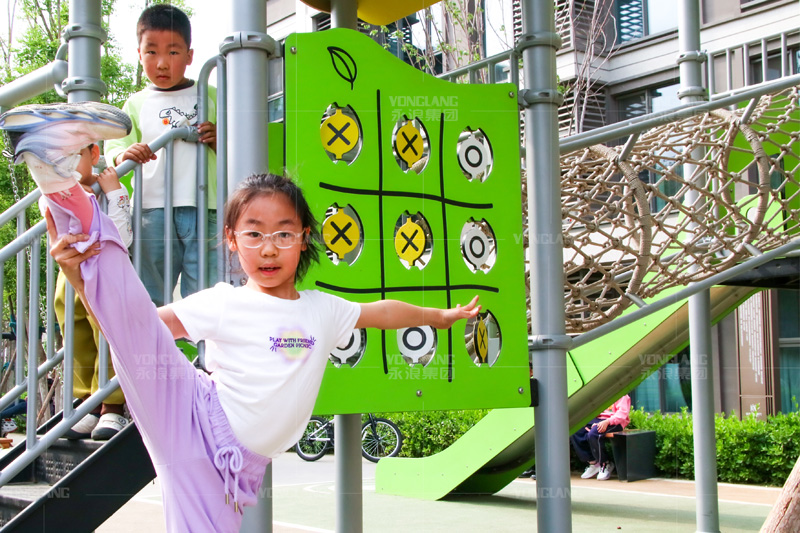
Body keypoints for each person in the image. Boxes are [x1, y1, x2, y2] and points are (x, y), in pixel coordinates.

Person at [2, 101, 481, 532]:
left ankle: (56, 177)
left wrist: (434, 314)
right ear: (232, 240)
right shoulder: (224, 301)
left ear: (305, 238)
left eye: (283, 234)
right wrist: (80, 280)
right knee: (138, 331)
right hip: (194, 414)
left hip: (232, 465)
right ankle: (60, 182)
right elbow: (134, 329)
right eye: (253, 234)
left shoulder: (322, 309)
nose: (268, 248)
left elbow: (378, 312)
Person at [104, 3, 218, 306]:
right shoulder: (136, 103)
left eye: (173, 52)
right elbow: (114, 147)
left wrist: (219, 139)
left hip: (206, 206)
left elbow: (239, 142)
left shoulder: (212, 94)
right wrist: (124, 155)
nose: (162, 63)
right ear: (139, 54)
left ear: (190, 56)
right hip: (151, 210)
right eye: (152, 52)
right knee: (148, 292)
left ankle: (203, 353)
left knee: (205, 292)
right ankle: (153, 352)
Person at [51, 146, 131, 440]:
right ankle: (86, 401)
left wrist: (113, 192)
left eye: (74, 156)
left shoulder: (104, 185)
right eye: (57, 158)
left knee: (105, 329)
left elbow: (123, 234)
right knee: (73, 327)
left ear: (94, 154)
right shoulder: (55, 190)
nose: (65, 164)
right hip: (70, 268)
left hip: (104, 266)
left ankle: (112, 405)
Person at [570, 394, 631, 481]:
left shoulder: (622, 395)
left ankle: (605, 463)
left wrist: (607, 422)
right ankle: (593, 462)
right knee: (575, 429)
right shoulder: (606, 392)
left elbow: (622, 415)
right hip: (599, 419)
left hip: (614, 422)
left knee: (594, 433)